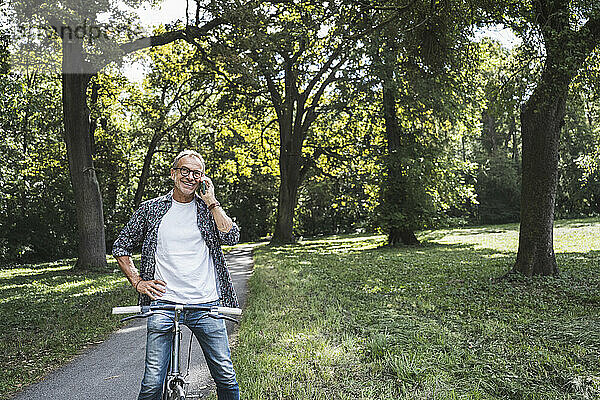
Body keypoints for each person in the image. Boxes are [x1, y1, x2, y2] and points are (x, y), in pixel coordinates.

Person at [112, 149, 240, 400]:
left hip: (206, 304)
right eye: (185, 171)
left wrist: (212, 201)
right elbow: (121, 246)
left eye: (196, 173)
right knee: (151, 384)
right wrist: (137, 282)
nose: (190, 177)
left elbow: (232, 237)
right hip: (163, 303)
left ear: (203, 178)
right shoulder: (151, 209)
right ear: (173, 173)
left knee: (226, 376)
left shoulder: (207, 210)